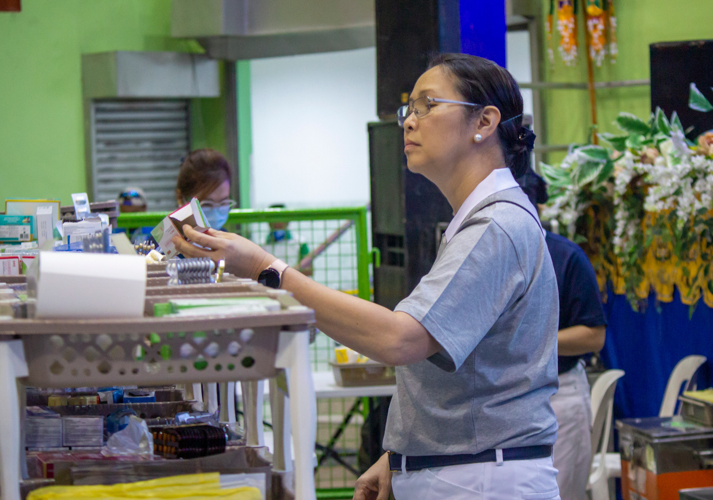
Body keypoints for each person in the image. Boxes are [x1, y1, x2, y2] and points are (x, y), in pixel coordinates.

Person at [173, 53, 561, 500]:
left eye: (427, 106)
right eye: (408, 110)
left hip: (481, 479)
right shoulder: (477, 222)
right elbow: (464, 380)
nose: (409, 123)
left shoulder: (495, 227)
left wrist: (269, 270)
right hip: (462, 469)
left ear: (484, 122)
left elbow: (402, 340)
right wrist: (401, 456)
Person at [518, 167, 607, 500]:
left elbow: (593, 335)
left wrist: (530, 344)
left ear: (537, 206)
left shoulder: (567, 256)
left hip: (559, 395)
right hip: (503, 399)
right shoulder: (489, 253)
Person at [176, 148, 236, 231]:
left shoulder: (227, 241)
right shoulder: (162, 242)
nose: (216, 215)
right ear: (182, 200)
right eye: (206, 204)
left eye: (223, 203)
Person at [261, 204, 312, 276]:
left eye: (280, 218)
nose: (277, 222)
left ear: (288, 221)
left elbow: (309, 270)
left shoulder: (300, 242)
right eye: (273, 218)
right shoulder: (261, 245)